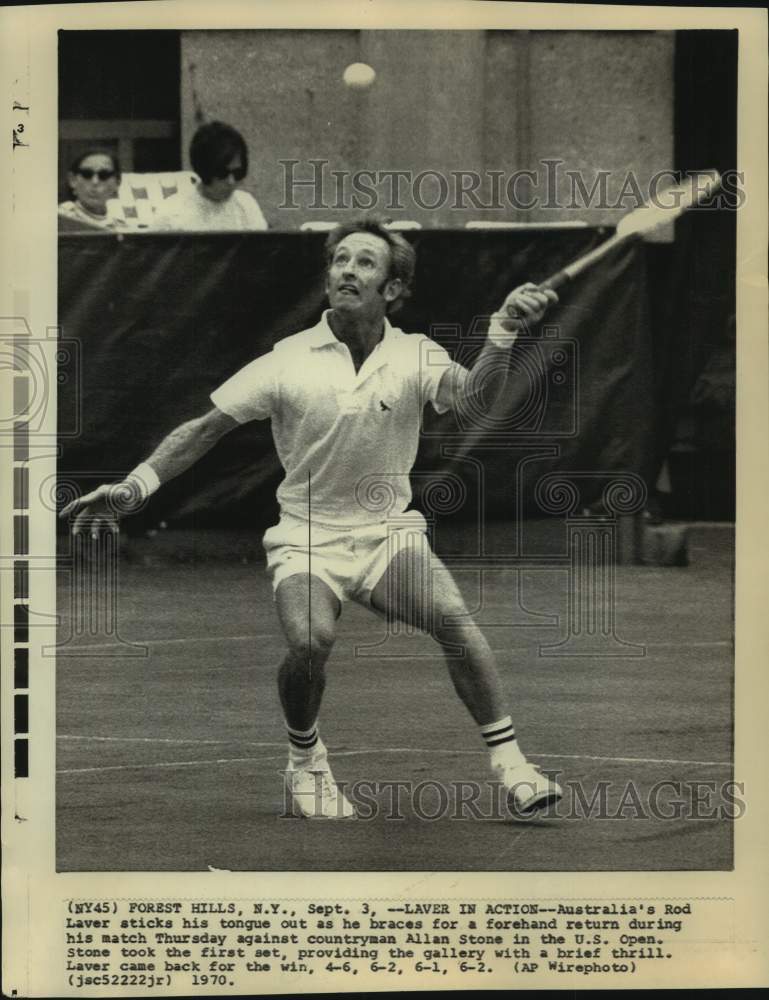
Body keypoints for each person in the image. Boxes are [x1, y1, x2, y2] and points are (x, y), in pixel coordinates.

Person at [61, 218, 560, 820]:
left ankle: (512, 766)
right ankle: (305, 763)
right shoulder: (287, 360)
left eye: (365, 263)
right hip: (304, 537)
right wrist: (135, 486)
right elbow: (204, 429)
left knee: (455, 619)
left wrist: (503, 333)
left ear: (394, 289)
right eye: (340, 260)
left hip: (385, 533)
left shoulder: (414, 354)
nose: (347, 270)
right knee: (309, 640)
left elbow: (477, 398)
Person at [154, 120, 268, 232]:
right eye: (222, 174)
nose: (231, 181)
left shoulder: (247, 205)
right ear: (204, 171)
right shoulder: (171, 214)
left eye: (238, 173)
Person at [58, 149, 125, 230]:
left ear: (117, 183)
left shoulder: (121, 229)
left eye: (104, 175)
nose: (95, 182)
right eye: (87, 174)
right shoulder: (59, 220)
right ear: (73, 180)